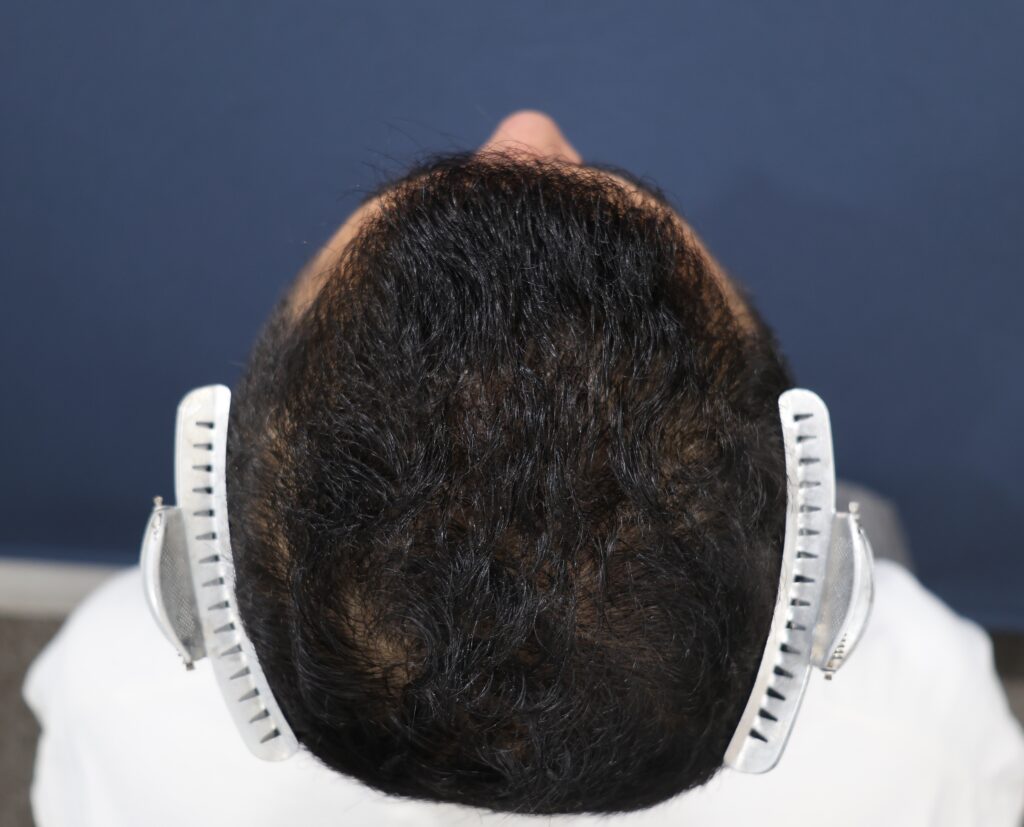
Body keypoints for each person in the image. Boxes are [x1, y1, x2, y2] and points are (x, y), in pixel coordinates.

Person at [25, 111, 1024, 826]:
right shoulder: (924, 714)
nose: (528, 128)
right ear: (822, 570)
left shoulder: (112, 691)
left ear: (199, 553)